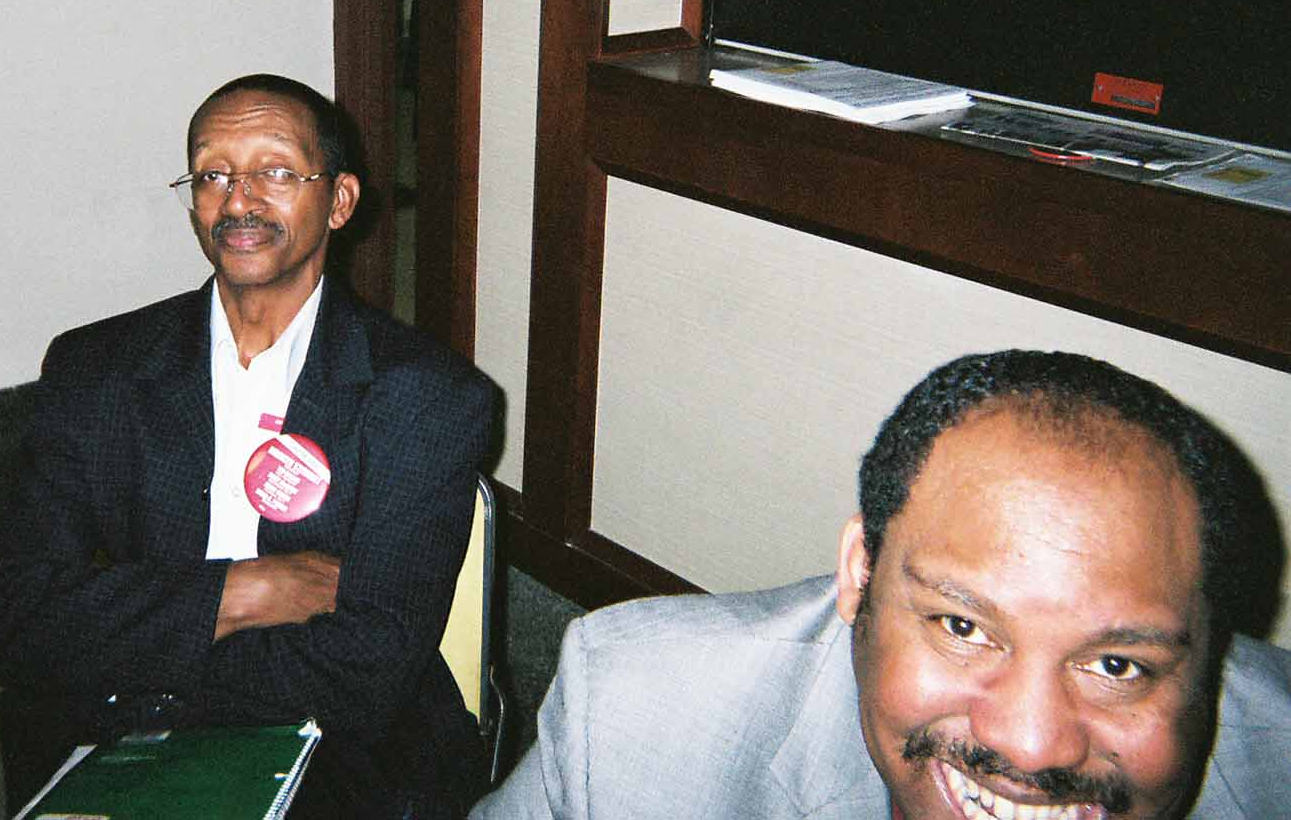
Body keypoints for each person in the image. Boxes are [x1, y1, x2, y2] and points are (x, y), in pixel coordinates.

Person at [0, 74, 495, 818]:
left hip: (341, 748)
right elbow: (5, 619)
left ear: (340, 201)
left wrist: (136, 665)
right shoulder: (98, 371)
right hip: (122, 740)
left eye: (276, 170)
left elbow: (369, 669)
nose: (239, 200)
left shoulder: (423, 393)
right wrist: (240, 591)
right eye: (214, 173)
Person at [472, 351, 1291, 820]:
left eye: (1117, 665)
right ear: (858, 576)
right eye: (963, 627)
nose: (1033, 743)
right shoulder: (642, 720)